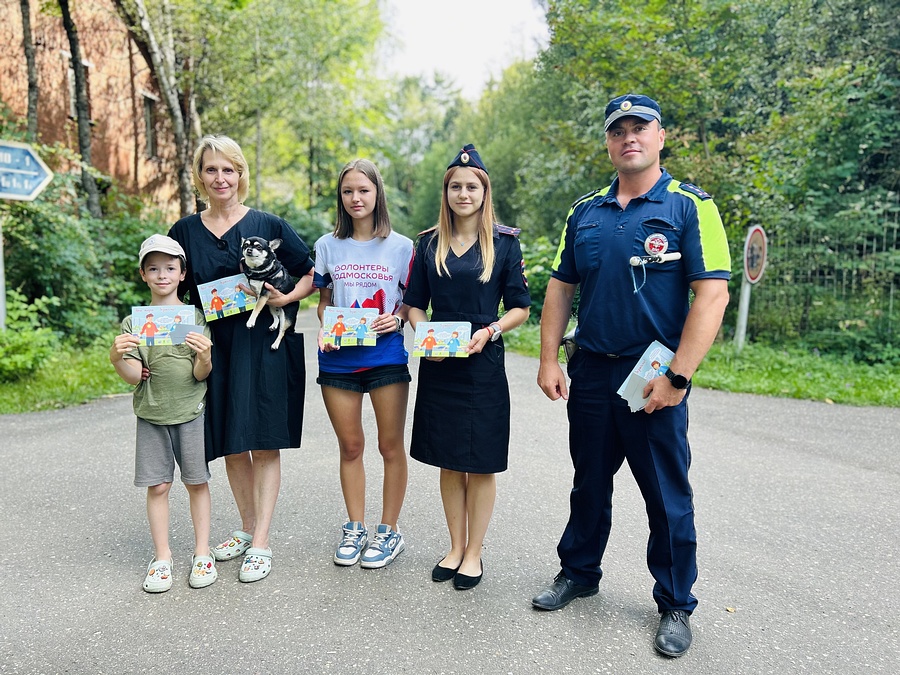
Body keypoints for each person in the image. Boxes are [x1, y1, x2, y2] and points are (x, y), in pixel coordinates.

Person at [531, 94, 731, 657]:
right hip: (591, 371)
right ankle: (579, 572)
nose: (629, 138)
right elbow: (559, 288)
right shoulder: (586, 212)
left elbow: (711, 295)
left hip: (653, 378)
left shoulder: (691, 207)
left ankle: (674, 602)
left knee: (666, 496)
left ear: (661, 136)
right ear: (608, 142)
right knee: (588, 481)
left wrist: (679, 377)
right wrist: (548, 358)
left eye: (639, 127)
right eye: (618, 130)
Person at [168, 135, 316, 583]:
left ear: (240, 175)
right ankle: (247, 528)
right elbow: (173, 292)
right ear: (200, 176)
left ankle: (264, 542)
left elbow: (311, 273)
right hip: (217, 350)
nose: (220, 178)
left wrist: (284, 297)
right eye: (211, 170)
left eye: (228, 169)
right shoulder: (184, 232)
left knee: (264, 439)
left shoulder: (269, 224)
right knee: (233, 441)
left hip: (265, 343)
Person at [403, 144, 531, 589]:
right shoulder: (427, 243)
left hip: (482, 363)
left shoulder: (505, 243)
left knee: (480, 462)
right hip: (440, 361)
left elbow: (521, 307)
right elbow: (414, 304)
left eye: (471, 186)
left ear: (483, 191)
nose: (463, 192)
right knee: (448, 461)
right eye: (455, 186)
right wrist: (425, 337)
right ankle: (454, 546)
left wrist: (492, 330)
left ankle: (474, 553)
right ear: (446, 191)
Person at [313, 159, 414, 569]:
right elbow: (322, 304)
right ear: (341, 197)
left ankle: (388, 531)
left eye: (364, 191)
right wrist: (327, 326)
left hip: (386, 355)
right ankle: (355, 527)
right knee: (350, 446)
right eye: (348, 191)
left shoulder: (403, 247)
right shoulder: (326, 246)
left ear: (378, 195)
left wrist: (401, 317)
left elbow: (411, 301)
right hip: (338, 360)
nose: (356, 198)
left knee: (390, 446)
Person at [109, 234, 215, 593]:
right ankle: (162, 557)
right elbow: (135, 376)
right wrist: (115, 357)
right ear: (143, 274)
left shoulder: (194, 318)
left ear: (182, 273)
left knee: (196, 481)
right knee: (158, 485)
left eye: (170, 268)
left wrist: (204, 357)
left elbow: (201, 374)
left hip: (191, 410)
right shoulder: (134, 324)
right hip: (151, 413)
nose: (162, 275)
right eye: (153, 268)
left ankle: (202, 553)